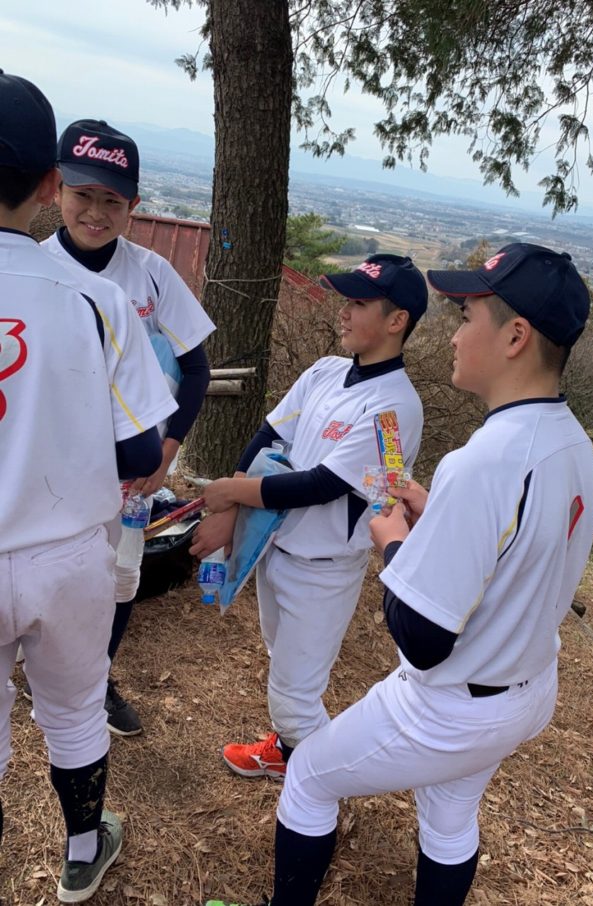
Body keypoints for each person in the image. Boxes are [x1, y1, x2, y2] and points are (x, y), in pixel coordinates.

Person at [224, 243, 593, 906]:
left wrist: (394, 541)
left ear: (515, 336)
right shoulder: (572, 443)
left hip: (452, 704)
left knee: (309, 778)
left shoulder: (482, 461)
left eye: (467, 317)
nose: (453, 335)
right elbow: (517, 555)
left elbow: (421, 637)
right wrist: (436, 522)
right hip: (524, 686)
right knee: (449, 814)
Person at [0, 72, 177, 902]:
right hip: (69, 553)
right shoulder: (96, 298)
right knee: (72, 712)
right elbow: (140, 445)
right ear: (48, 184)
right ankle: (82, 849)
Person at [191, 254, 428, 780]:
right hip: (275, 545)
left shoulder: (395, 407)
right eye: (346, 300)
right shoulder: (325, 370)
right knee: (281, 659)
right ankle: (288, 754)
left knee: (295, 699)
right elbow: (270, 435)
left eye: (359, 303)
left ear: (397, 320)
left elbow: (322, 485)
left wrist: (230, 491)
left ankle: (322, 790)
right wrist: (232, 509)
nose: (344, 311)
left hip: (322, 568)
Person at [40, 119, 216, 736]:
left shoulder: (152, 273)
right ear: (56, 189)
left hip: (131, 471)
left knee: (119, 579)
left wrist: (168, 449)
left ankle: (96, 681)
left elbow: (196, 366)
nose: (95, 212)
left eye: (112, 200)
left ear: (133, 205)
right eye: (83, 194)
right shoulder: (32, 269)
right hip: (50, 466)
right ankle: (43, 677)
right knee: (48, 576)